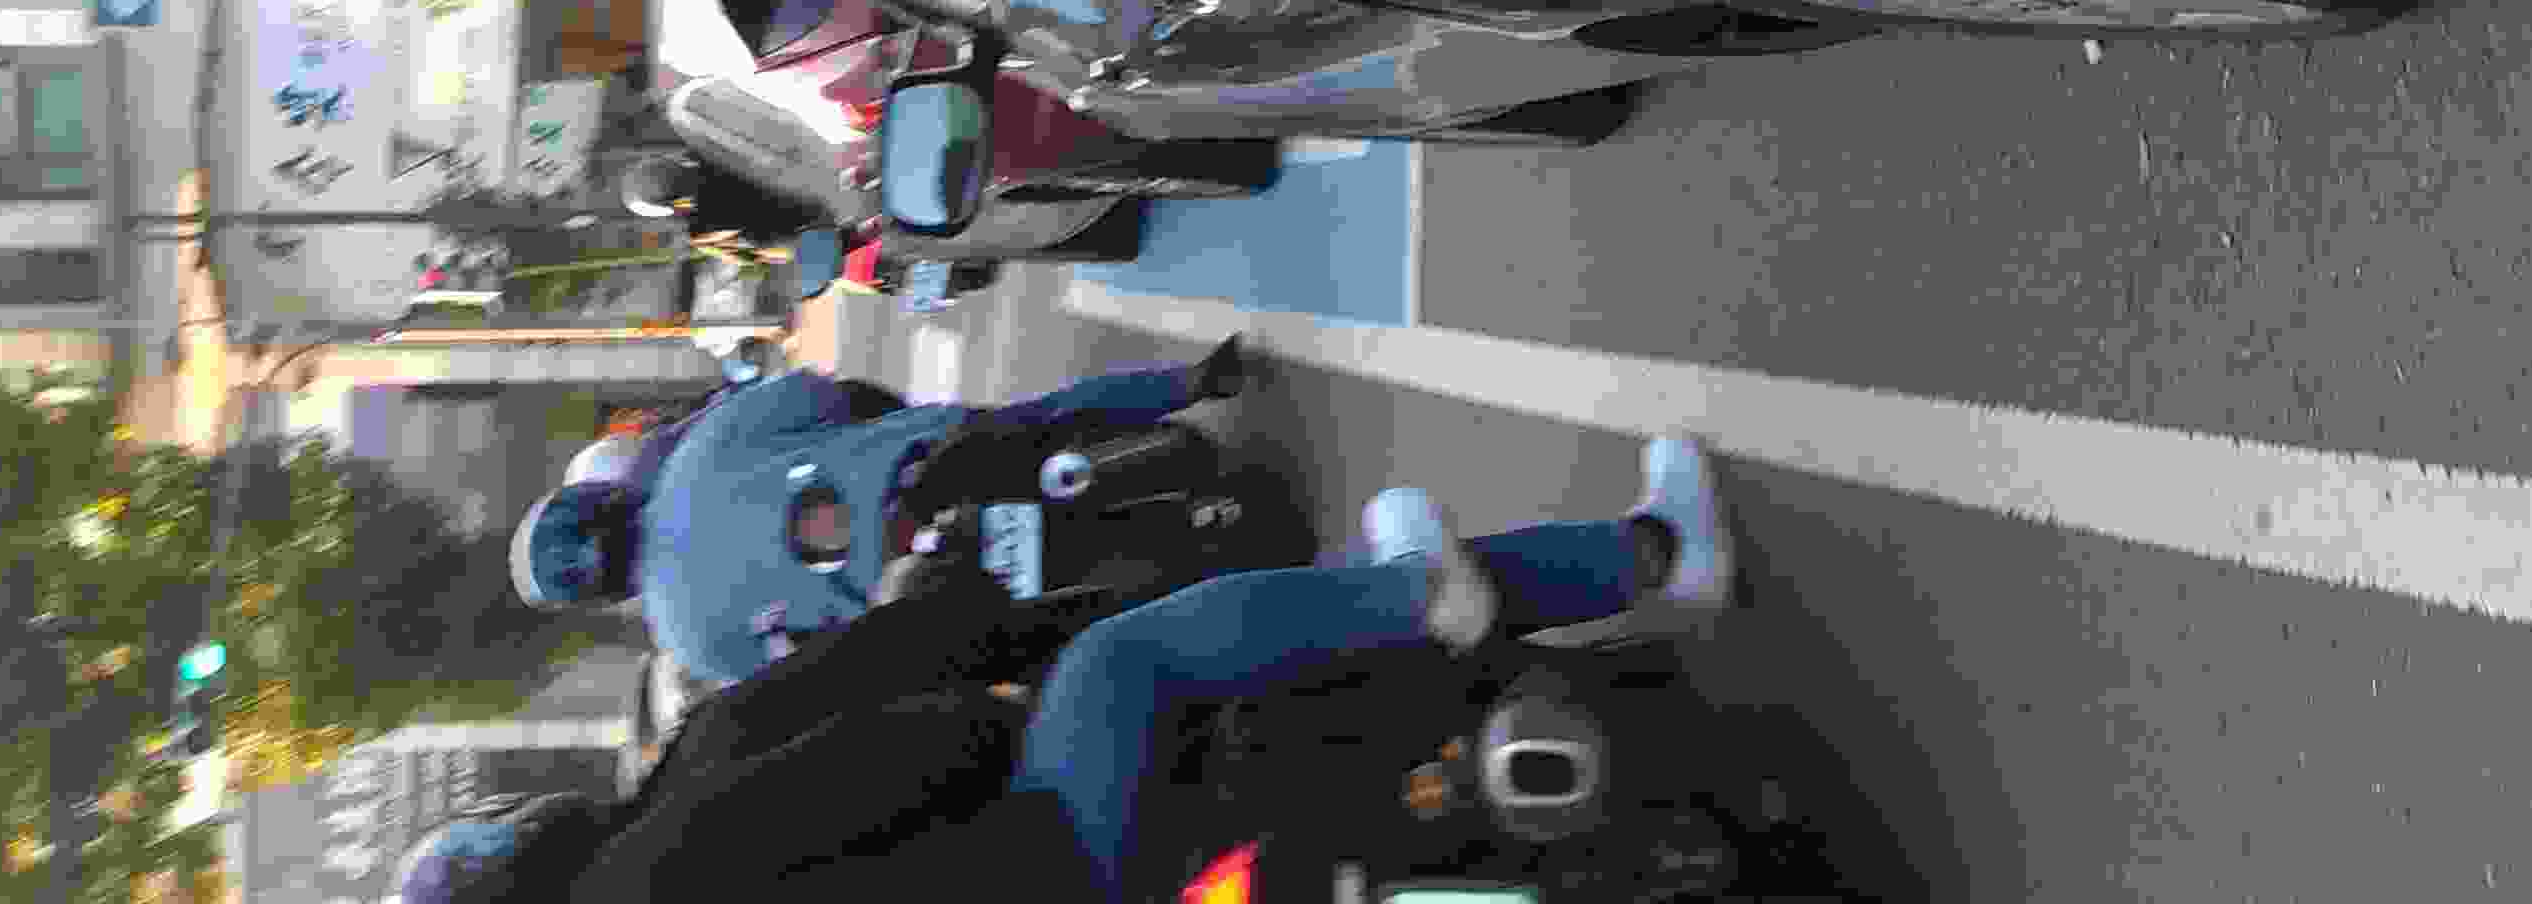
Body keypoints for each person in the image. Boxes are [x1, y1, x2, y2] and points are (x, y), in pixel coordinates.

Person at [429, 436, 1745, 904]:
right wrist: (981, 702)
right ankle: (1487, 583)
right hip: (1057, 856)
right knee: (1128, 655)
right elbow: (895, 748)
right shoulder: (661, 837)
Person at [511, 341, 1259, 679]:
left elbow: (812, 674)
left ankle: (1212, 602)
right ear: (605, 497)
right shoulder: (702, 450)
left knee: (1069, 644)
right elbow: (827, 395)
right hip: (929, 467)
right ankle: (1194, 380)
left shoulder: (692, 646)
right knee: (1046, 417)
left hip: (927, 595)